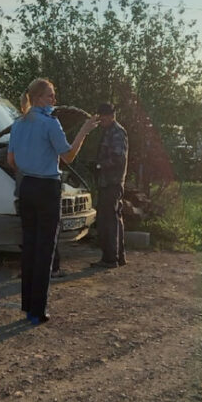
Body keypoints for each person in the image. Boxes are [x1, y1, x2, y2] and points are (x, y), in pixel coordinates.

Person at [8, 78, 98, 324]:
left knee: (29, 246)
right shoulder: (50, 123)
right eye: (50, 96)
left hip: (26, 186)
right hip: (47, 187)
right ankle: (38, 311)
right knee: (45, 249)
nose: (54, 101)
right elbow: (68, 155)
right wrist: (84, 131)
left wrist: (30, 163)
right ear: (38, 98)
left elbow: (11, 161)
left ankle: (28, 306)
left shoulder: (18, 124)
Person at [92, 102, 128, 269]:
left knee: (108, 219)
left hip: (112, 182)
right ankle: (118, 256)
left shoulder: (117, 132)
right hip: (107, 181)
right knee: (114, 217)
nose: (100, 120)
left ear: (110, 116)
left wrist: (99, 166)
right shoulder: (109, 131)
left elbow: (118, 158)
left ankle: (110, 258)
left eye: (102, 117)